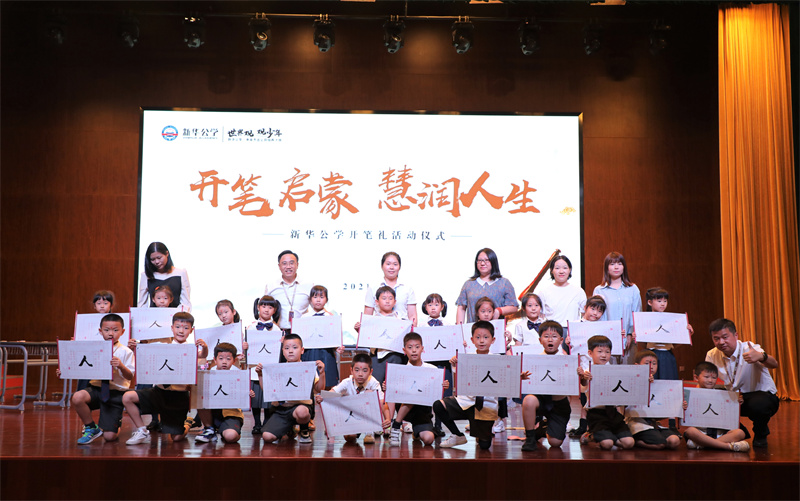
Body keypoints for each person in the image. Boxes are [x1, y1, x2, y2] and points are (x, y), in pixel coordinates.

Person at [433, 321, 529, 450]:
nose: (482, 341)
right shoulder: (466, 358)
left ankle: (480, 431)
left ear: (493, 340)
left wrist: (519, 377)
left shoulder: (499, 360)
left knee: (484, 445)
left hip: (486, 405)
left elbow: (507, 378)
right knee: (438, 405)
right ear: (472, 340)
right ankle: (457, 435)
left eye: (486, 337)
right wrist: (455, 365)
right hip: (465, 401)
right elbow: (457, 383)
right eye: (478, 337)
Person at [124, 312, 208, 444]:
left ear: (191, 330)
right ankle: (142, 430)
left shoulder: (192, 350)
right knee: (127, 397)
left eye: (186, 328)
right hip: (159, 392)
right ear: (172, 328)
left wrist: (205, 348)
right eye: (178, 327)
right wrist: (134, 348)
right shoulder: (162, 347)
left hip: (178, 396)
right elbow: (146, 358)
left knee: (176, 438)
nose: (181, 331)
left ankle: (187, 423)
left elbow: (202, 356)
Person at [58, 314, 134, 444]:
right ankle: (91, 427)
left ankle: (114, 424)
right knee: (77, 397)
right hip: (96, 389)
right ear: (100, 331)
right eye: (106, 330)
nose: (111, 333)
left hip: (115, 393)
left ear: (123, 332)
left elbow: (130, 376)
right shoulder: (93, 349)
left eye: (115, 330)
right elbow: (80, 365)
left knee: (109, 437)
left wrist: (121, 366)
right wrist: (64, 371)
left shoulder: (126, 351)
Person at [705, 318, 779, 448]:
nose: (721, 342)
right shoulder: (712, 354)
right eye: (716, 338)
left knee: (759, 404)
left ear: (736, 335)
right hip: (734, 398)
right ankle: (740, 431)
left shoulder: (749, 348)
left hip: (759, 396)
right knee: (710, 398)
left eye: (725, 337)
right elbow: (707, 380)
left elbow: (774, 364)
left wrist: (762, 357)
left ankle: (760, 433)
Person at [256, 333, 325, 444]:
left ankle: (304, 429)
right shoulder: (276, 369)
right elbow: (267, 390)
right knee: (267, 437)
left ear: (302, 350)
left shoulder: (308, 368)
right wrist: (260, 375)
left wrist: (322, 373)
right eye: (287, 348)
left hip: (301, 407)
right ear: (282, 351)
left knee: (302, 412)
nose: (291, 351)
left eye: (295, 347)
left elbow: (319, 389)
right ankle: (289, 429)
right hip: (282, 409)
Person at [641, 287, 693, 429]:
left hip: (667, 355)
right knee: (652, 386)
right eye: (659, 301)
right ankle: (650, 420)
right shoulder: (644, 319)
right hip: (651, 354)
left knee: (670, 386)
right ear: (650, 302)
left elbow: (675, 344)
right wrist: (635, 335)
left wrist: (686, 334)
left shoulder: (672, 320)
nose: (663, 304)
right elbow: (641, 340)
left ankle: (671, 422)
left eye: (665, 301)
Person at [387, 332, 450, 447]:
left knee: (429, 439)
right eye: (410, 347)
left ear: (422, 349)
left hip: (422, 411)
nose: (414, 350)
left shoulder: (432, 369)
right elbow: (394, 393)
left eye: (417, 347)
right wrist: (387, 387)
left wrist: (443, 388)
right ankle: (396, 425)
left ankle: (416, 433)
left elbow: (435, 396)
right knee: (413, 394)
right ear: (404, 350)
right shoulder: (400, 371)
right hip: (404, 409)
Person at [520, 321, 574, 452]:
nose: (550, 340)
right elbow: (528, 385)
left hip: (559, 404)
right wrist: (523, 378)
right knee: (528, 400)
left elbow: (573, 389)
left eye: (554, 336)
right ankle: (530, 438)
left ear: (561, 340)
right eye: (546, 336)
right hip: (541, 400)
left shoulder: (568, 361)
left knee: (555, 443)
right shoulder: (534, 361)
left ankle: (542, 428)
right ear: (540, 340)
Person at [318, 352, 390, 444]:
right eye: (357, 370)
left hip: (368, 417)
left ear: (370, 372)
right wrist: (322, 397)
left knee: (369, 393)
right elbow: (332, 392)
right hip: (353, 416)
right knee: (349, 437)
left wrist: (387, 418)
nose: (360, 374)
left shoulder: (373, 383)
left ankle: (370, 432)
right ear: (351, 370)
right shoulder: (347, 382)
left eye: (364, 371)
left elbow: (382, 402)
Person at [577, 335, 634, 450]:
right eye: (600, 352)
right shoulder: (588, 372)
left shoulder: (614, 371)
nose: (604, 355)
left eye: (607, 352)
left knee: (629, 443)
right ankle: (591, 435)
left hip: (613, 412)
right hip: (596, 413)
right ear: (590, 353)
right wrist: (584, 378)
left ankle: (610, 436)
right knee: (607, 444)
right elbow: (583, 388)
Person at [566, 295, 609, 438]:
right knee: (584, 396)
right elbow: (571, 347)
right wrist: (568, 341)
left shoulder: (604, 327)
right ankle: (583, 425)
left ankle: (594, 425)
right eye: (593, 309)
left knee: (597, 396)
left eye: (600, 311)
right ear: (585, 308)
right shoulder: (575, 325)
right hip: (583, 363)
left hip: (600, 364)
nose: (595, 313)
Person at [683, 361, 750, 452]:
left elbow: (730, 411)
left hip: (720, 433)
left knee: (740, 433)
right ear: (696, 377)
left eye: (714, 378)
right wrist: (683, 407)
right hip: (701, 432)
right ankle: (727, 446)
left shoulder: (723, 393)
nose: (710, 380)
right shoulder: (689, 394)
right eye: (706, 377)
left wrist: (736, 402)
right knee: (690, 431)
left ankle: (704, 445)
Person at [623, 350, 681, 450]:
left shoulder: (658, 385)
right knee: (659, 444)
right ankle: (636, 441)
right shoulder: (631, 382)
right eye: (647, 363)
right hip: (637, 422)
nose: (651, 366)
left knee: (674, 441)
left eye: (654, 363)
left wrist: (678, 407)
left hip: (653, 423)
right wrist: (643, 382)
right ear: (637, 365)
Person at [592, 251, 641, 364]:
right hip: (606, 342)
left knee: (629, 372)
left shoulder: (633, 289)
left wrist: (630, 334)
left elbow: (637, 313)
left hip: (629, 341)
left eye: (619, 263)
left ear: (624, 267)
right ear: (606, 267)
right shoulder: (599, 290)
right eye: (612, 264)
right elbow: (597, 317)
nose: (616, 267)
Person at [355, 286, 408, 386]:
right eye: (384, 298)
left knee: (394, 386)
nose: (387, 301)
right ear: (377, 302)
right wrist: (359, 330)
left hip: (395, 356)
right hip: (376, 356)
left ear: (395, 302)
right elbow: (367, 337)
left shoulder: (400, 321)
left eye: (390, 298)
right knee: (375, 385)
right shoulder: (371, 320)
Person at [195, 343, 246, 444]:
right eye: (221, 358)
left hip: (231, 413)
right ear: (215, 359)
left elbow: (243, 395)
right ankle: (209, 429)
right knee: (199, 395)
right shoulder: (208, 374)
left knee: (230, 437)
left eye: (228, 359)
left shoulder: (238, 376)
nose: (224, 362)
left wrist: (248, 394)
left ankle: (232, 431)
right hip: (212, 412)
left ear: (234, 360)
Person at [247, 295, 282, 436]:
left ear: (274, 310)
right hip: (253, 368)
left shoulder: (277, 330)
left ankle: (267, 422)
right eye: (263, 306)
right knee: (255, 398)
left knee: (267, 398)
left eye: (270, 307)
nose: (266, 309)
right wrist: (244, 346)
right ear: (258, 307)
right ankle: (257, 423)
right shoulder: (250, 327)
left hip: (269, 370)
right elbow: (246, 348)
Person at [455, 248, 518, 324]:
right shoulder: (469, 284)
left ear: (493, 262)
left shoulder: (504, 283)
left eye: (486, 260)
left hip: (495, 328)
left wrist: (499, 311)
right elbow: (461, 308)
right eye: (479, 260)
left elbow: (514, 307)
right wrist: (459, 327)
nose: (482, 263)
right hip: (472, 328)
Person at [421, 293, 453, 436]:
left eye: (436, 304)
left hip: (444, 363)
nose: (433, 308)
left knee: (442, 394)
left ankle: (438, 425)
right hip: (427, 364)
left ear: (442, 307)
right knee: (427, 393)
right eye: (430, 305)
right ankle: (426, 423)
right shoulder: (421, 325)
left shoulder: (449, 325)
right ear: (425, 307)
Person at [264, 250, 313, 333]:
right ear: (279, 266)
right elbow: (264, 308)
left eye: (291, 263)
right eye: (284, 263)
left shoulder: (308, 285)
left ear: (297, 265)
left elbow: (317, 307)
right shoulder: (271, 286)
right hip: (278, 332)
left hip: (303, 332)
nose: (288, 267)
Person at [301, 285, 340, 388]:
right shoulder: (304, 317)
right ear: (310, 299)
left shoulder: (331, 317)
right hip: (308, 353)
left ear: (326, 300)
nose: (318, 300)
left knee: (327, 383)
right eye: (315, 297)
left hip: (326, 353)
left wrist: (338, 347)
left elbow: (334, 338)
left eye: (321, 297)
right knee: (307, 383)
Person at [364, 251, 417, 326]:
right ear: (382, 266)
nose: (391, 267)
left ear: (399, 267)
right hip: (379, 328)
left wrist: (411, 329)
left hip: (402, 329)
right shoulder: (373, 288)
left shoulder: (407, 289)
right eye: (388, 264)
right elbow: (367, 317)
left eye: (395, 264)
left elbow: (412, 316)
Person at [535, 254, 586, 327]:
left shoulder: (579, 291)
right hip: (552, 330)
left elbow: (585, 315)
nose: (561, 271)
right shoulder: (544, 292)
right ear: (551, 270)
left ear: (570, 270)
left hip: (572, 330)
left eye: (565, 268)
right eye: (557, 268)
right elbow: (540, 316)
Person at [138, 242, 191, 310]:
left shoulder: (180, 273)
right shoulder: (146, 275)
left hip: (176, 315)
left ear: (167, 254)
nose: (157, 262)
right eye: (153, 259)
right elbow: (142, 304)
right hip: (154, 315)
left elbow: (186, 303)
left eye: (159, 257)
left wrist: (179, 314)